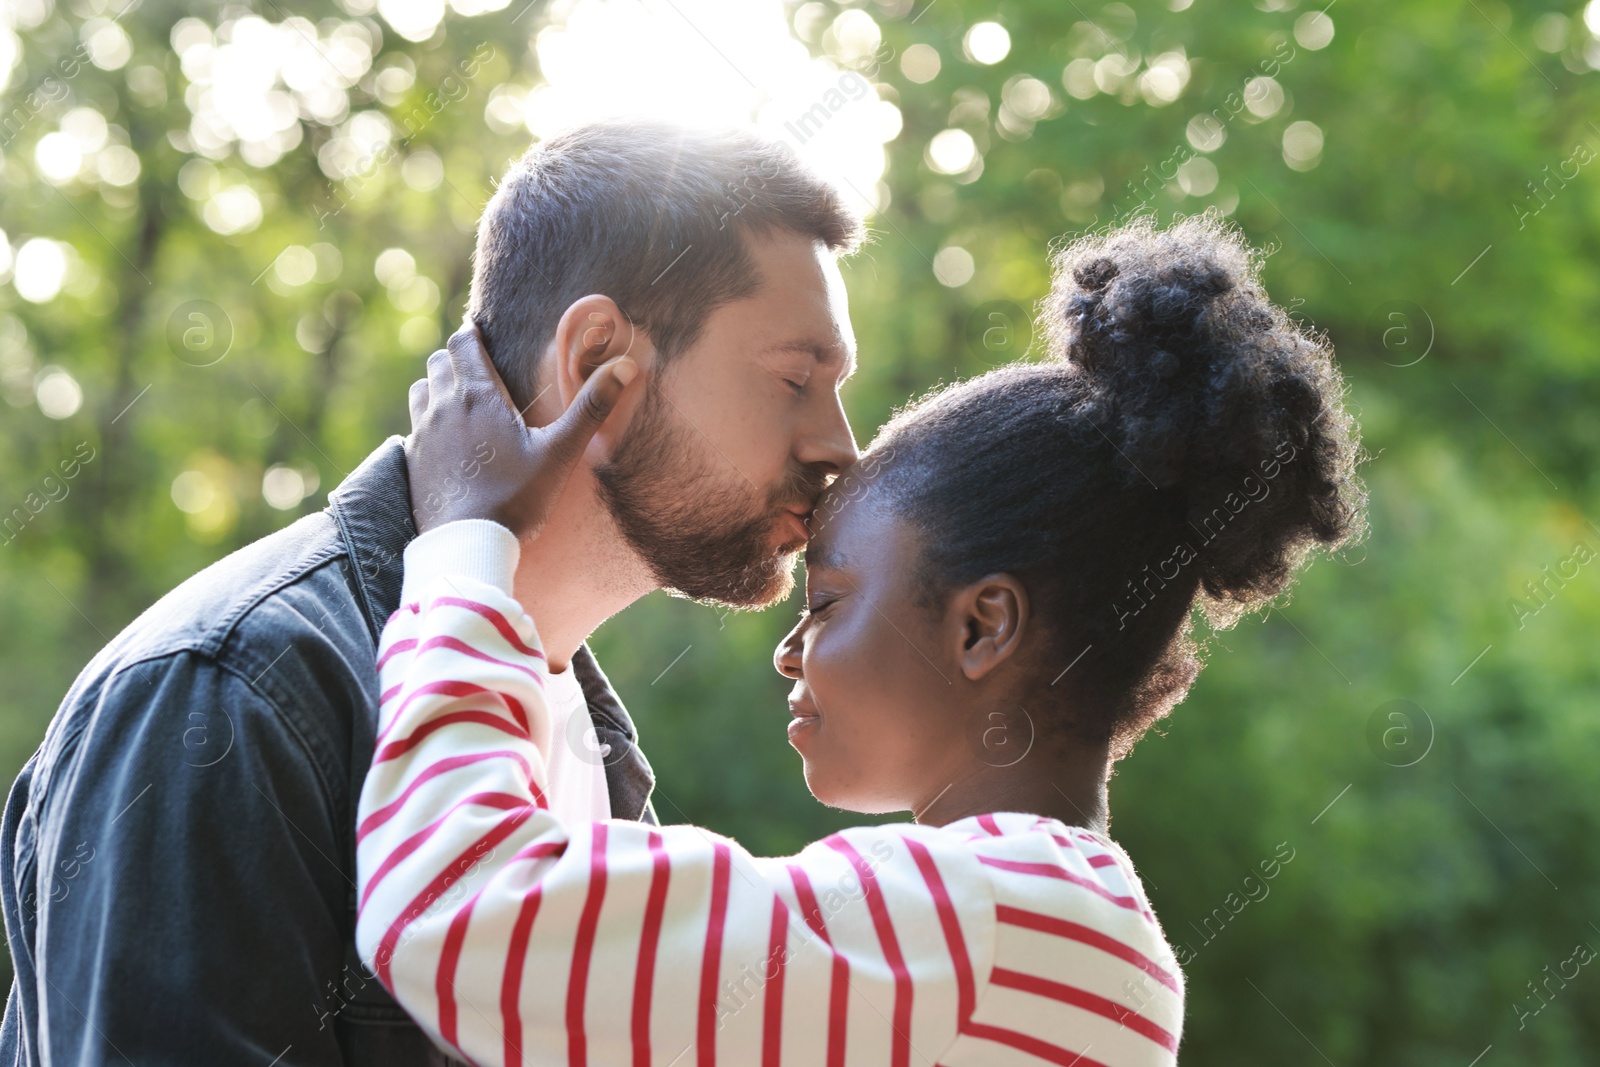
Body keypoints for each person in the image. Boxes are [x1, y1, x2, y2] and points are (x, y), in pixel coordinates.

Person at [357, 215, 1367, 1066]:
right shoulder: (1071, 931)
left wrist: (461, 546)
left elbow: (460, 908)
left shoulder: (990, 920)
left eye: (830, 601)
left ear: (981, 627)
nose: (787, 651)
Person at [0, 120, 863, 1065]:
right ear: (595, 365)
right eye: (795, 378)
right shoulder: (234, 692)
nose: (840, 445)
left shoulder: (591, 746)